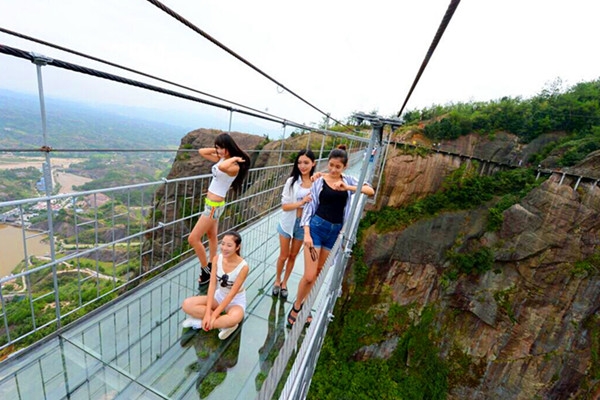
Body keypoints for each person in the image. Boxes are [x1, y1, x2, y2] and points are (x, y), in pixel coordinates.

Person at [287, 145, 375, 327]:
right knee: (309, 275)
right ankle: (296, 306)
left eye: (338, 167)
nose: (334, 170)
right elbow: (310, 208)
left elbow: (370, 191)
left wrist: (347, 187)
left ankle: (306, 306)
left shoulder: (350, 180)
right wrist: (307, 233)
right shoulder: (318, 181)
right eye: (331, 165)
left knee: (318, 274)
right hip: (316, 229)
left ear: (345, 166)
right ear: (327, 164)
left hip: (334, 232)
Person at [189, 133, 250, 289]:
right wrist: (220, 151)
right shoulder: (223, 159)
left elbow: (223, 167)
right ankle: (212, 263)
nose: (219, 151)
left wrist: (233, 157)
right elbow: (202, 152)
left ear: (229, 147)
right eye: (217, 147)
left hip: (213, 206)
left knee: (193, 238)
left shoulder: (234, 166)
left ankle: (206, 270)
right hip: (211, 204)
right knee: (211, 236)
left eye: (222, 147)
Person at [182, 231, 249, 340]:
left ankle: (201, 322)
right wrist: (208, 313)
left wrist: (212, 316)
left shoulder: (243, 267)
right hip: (219, 296)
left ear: (237, 247)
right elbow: (212, 285)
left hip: (235, 301)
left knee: (235, 317)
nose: (224, 248)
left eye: (229, 245)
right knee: (187, 304)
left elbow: (231, 294)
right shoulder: (217, 259)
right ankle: (222, 324)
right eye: (222, 244)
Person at [273, 149, 316, 299]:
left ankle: (285, 283)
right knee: (283, 256)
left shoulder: (317, 183)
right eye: (299, 162)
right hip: (287, 222)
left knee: (292, 256)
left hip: (302, 226)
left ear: (313, 164)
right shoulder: (291, 182)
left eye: (306, 162)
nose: (302, 166)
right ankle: (277, 280)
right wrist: (302, 202)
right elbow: (284, 206)